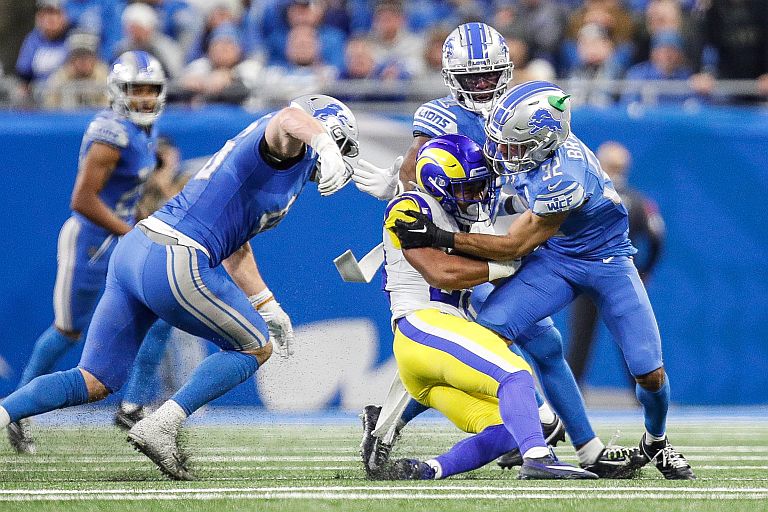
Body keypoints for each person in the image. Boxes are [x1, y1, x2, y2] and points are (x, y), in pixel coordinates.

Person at [0, 93, 358, 481]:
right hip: (174, 255)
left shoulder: (286, 174)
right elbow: (290, 117)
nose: (337, 159)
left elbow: (236, 245)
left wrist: (267, 303)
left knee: (94, 379)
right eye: (338, 146)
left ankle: (4, 411)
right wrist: (323, 142)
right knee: (254, 347)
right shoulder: (284, 144)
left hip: (138, 249)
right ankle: (161, 425)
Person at [353, 23, 640, 479]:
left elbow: (513, 184)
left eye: (492, 75)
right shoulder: (439, 117)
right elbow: (418, 175)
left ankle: (587, 448)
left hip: (493, 229)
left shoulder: (518, 108)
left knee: (545, 343)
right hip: (463, 240)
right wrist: (401, 185)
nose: (485, 85)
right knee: (467, 347)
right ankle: (386, 427)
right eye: (475, 77)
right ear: (452, 78)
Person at [391, 80, 695, 480]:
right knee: (481, 342)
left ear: (542, 142)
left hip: (607, 263)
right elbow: (503, 199)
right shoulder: (529, 155)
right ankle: (395, 418)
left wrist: (441, 237)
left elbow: (514, 246)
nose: (502, 152)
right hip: (559, 257)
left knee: (649, 373)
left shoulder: (562, 176)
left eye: (513, 145)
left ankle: (656, 440)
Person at [377, 134, 597, 481]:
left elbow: (508, 252)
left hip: (436, 349)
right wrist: (499, 266)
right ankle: (538, 459)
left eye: (482, 185)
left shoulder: (465, 218)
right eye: (470, 187)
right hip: (421, 326)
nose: (479, 195)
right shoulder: (411, 208)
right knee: (516, 373)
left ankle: (427, 470)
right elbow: (441, 273)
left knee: (513, 425)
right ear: (439, 184)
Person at [6, 50, 170, 455]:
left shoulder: (140, 130)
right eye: (137, 90)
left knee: (163, 312)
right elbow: (82, 199)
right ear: (119, 91)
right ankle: (18, 411)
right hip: (93, 243)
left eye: (151, 90)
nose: (146, 98)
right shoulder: (110, 133)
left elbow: (128, 193)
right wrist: (131, 231)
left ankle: (132, 405)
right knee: (68, 331)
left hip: (122, 241)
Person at [566, 141, 665, 385]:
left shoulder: (587, 195)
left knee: (580, 341)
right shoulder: (640, 201)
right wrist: (645, 270)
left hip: (587, 277)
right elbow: (656, 237)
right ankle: (645, 398)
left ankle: (571, 395)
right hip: (621, 277)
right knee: (632, 341)